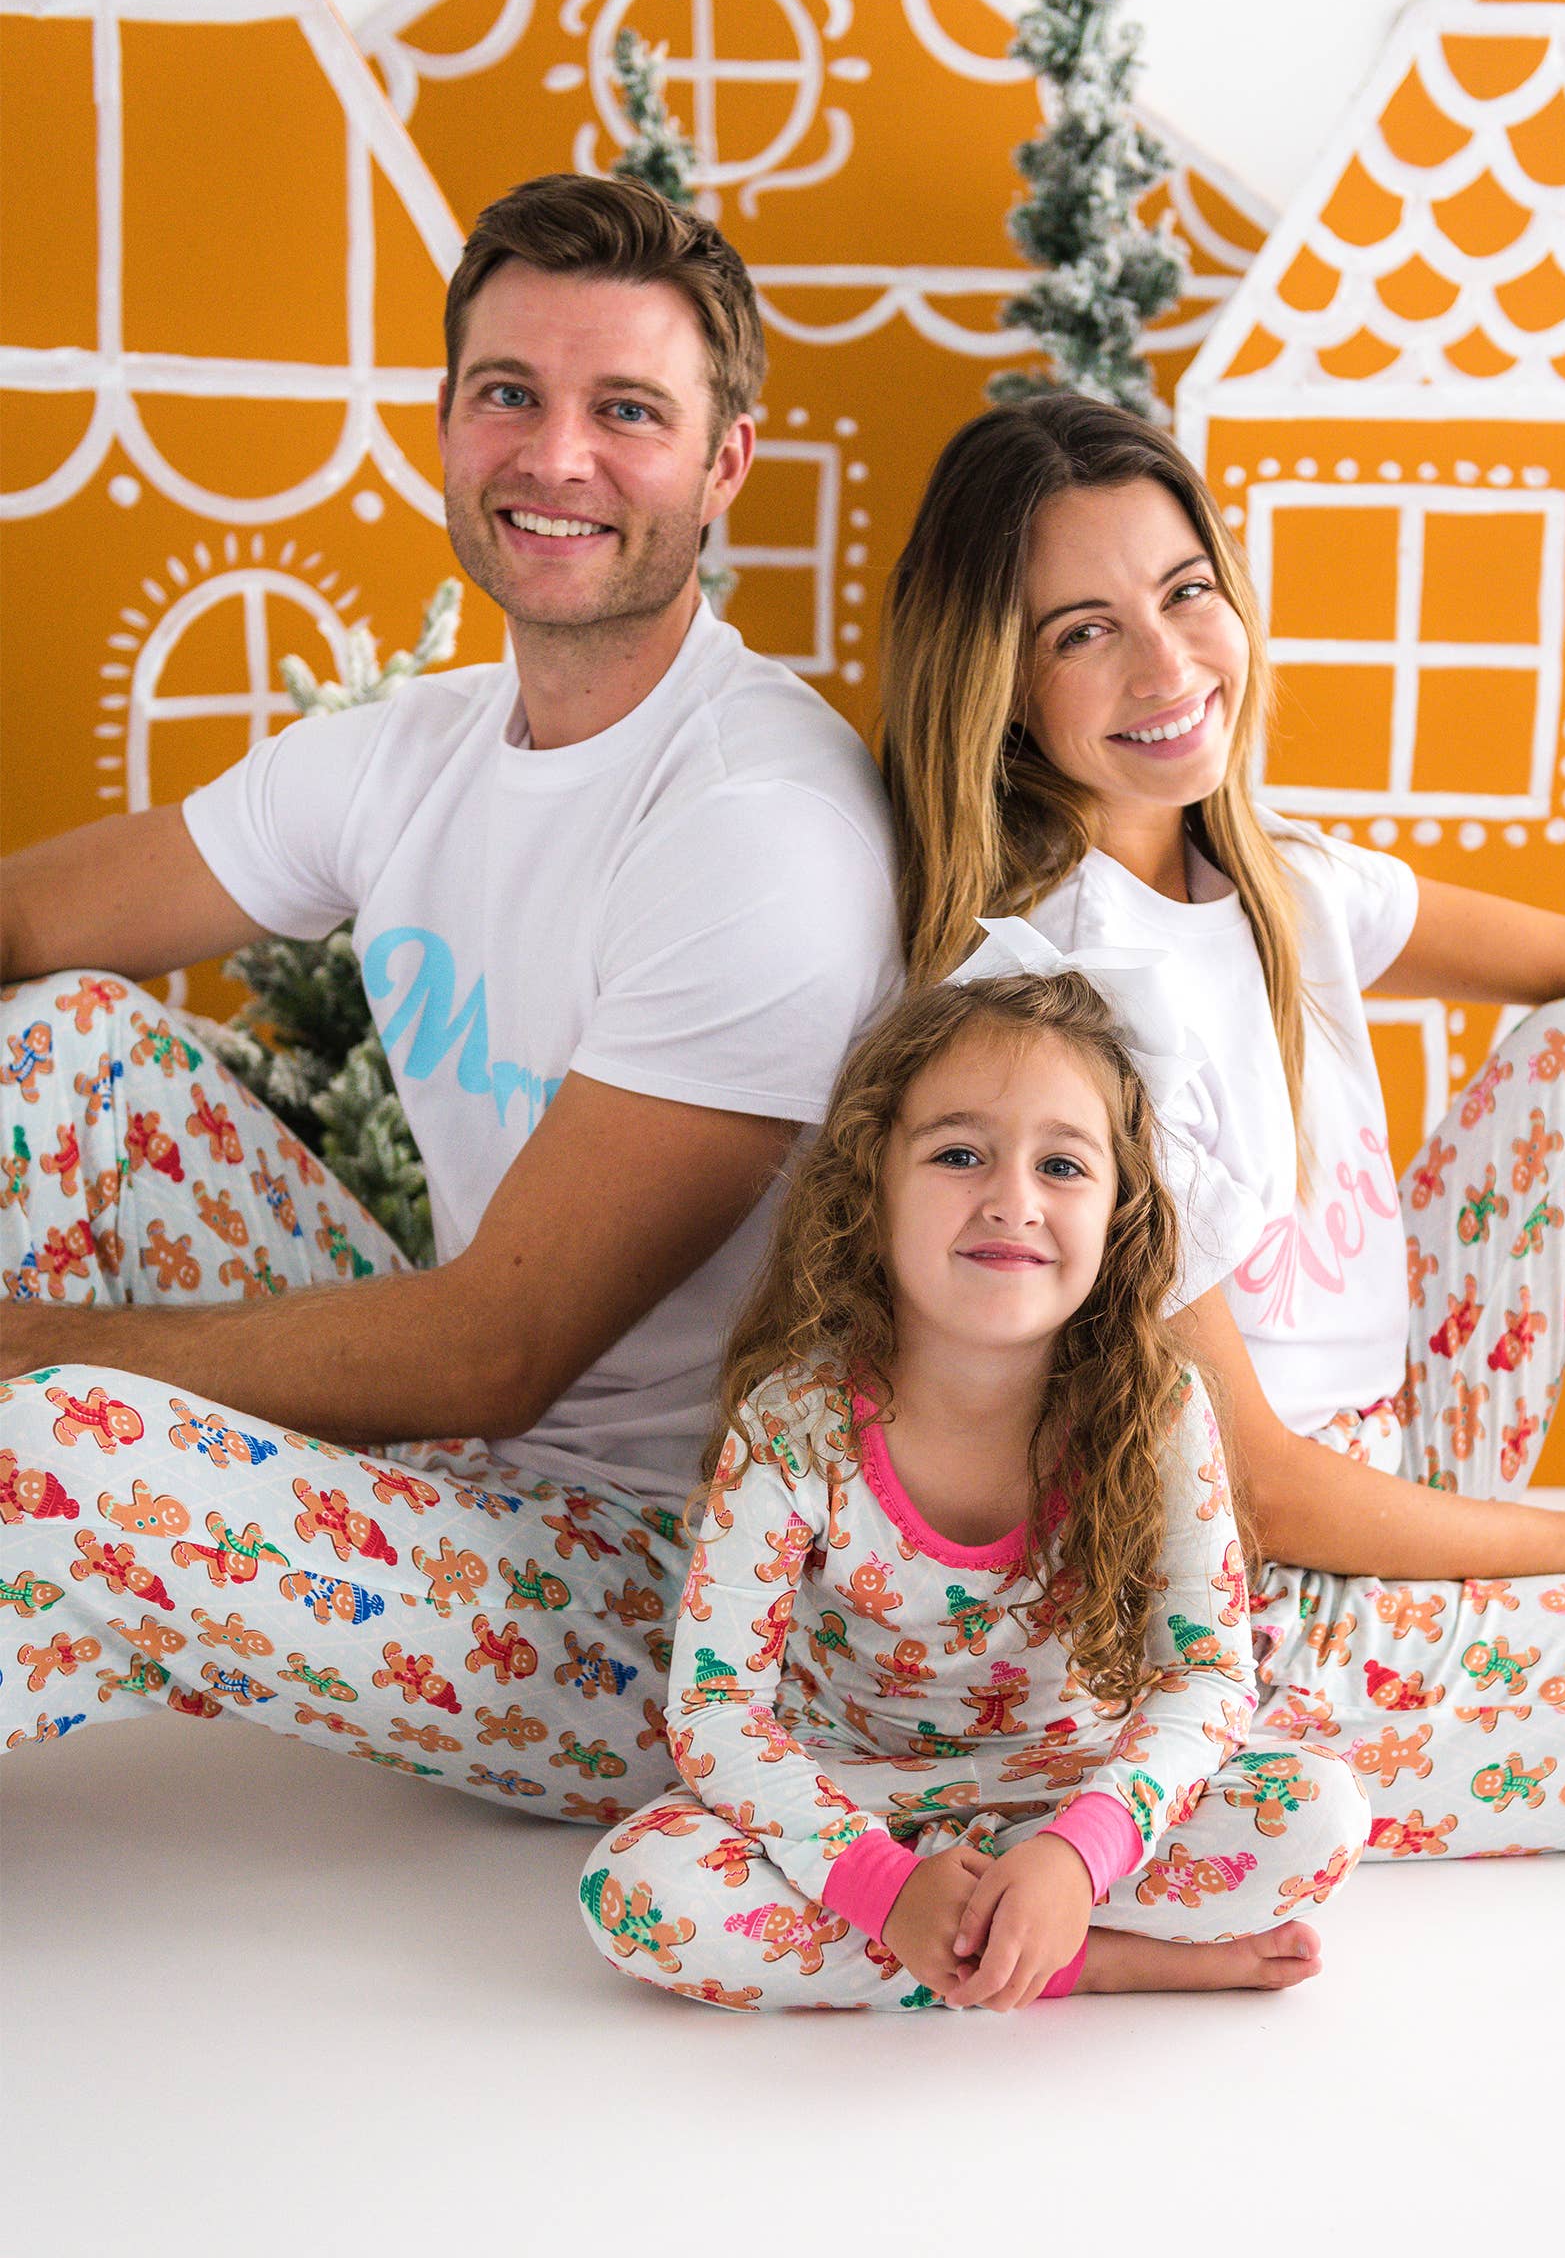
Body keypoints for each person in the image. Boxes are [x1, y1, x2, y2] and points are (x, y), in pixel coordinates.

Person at [0, 174, 898, 1822]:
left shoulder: (760, 823)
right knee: (71, 1046)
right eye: (509, 395)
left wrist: (35, 1355)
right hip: (475, 1477)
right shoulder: (418, 752)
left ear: (724, 466)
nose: (556, 457)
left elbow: (498, 1350)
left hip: (696, 1597)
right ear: (443, 426)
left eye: (627, 411)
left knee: (47, 1441)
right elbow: (35, 916)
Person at [877, 392, 1565, 1862]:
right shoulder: (1063, 999)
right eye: (1084, 631)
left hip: (1403, 1451)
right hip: (1269, 1601)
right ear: (1000, 683)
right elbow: (1258, 1489)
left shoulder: (1275, 886)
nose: (1168, 664)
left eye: (1186, 593)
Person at [584, 969, 1368, 2012]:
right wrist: (882, 1884)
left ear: (1121, 1211)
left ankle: (1031, 1928)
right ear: (872, 1188)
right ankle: (1089, 1963)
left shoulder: (1161, 1407)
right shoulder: (797, 1419)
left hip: (1072, 1786)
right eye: (959, 1155)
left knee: (1316, 1814)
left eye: (1062, 1165)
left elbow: (1210, 1678)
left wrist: (1077, 1856)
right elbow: (718, 1709)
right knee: (638, 1892)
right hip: (855, 1792)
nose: (1012, 1200)